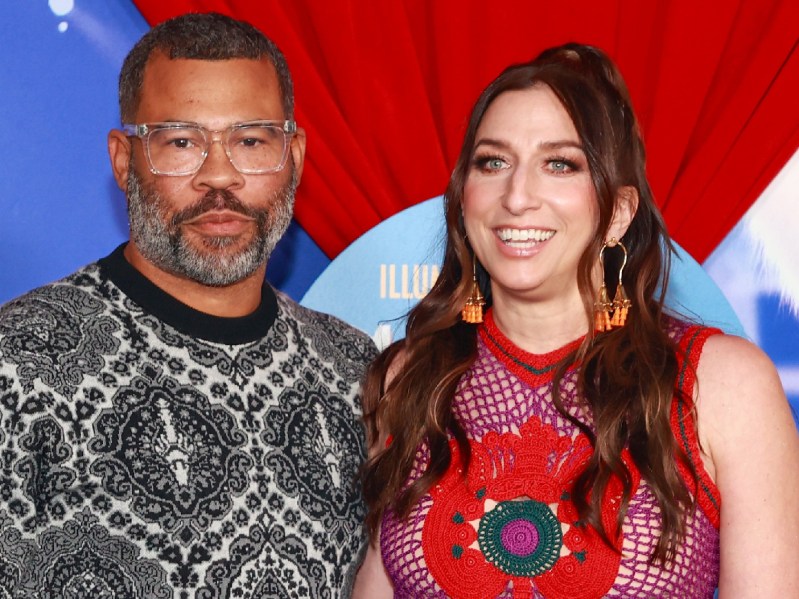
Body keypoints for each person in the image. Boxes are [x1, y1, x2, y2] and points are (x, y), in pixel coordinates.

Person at [353, 43, 799, 598]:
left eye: (559, 164)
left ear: (618, 212)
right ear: (463, 198)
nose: (516, 197)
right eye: (493, 162)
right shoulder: (409, 377)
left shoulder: (723, 385)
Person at [0, 12, 376, 599]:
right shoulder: (19, 360)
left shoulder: (355, 369)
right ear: (125, 161)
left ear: (294, 157)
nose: (219, 176)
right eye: (181, 142)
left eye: (251, 141)